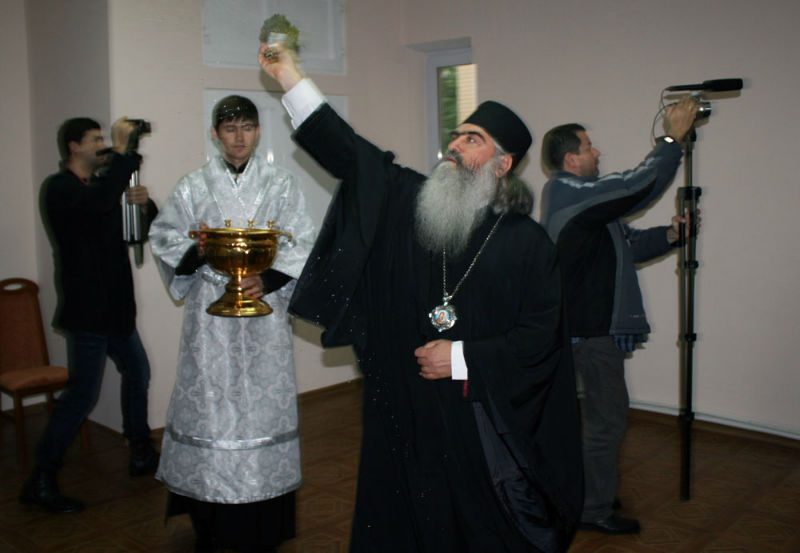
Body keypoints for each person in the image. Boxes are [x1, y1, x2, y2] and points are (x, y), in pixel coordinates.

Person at [259, 44, 583, 553]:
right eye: (455, 135)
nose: (454, 146)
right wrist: (290, 77)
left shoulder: (528, 245)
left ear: (502, 164)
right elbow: (354, 156)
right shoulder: (414, 206)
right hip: (403, 411)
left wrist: (462, 357)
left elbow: (541, 339)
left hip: (475, 424)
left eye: (472, 139)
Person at [148, 95, 315, 553]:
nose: (239, 137)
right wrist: (199, 250)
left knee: (263, 410)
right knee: (212, 409)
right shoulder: (192, 186)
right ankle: (212, 518)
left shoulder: (282, 184)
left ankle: (267, 520)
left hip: (265, 315)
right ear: (215, 134)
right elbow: (163, 237)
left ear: (258, 132)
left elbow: (303, 243)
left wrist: (269, 278)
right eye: (230, 128)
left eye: (247, 127)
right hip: (210, 319)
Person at [539, 98, 699, 535]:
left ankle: (590, 493)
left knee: (597, 420)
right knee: (606, 421)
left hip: (588, 331)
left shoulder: (585, 205)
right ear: (571, 159)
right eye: (589, 147)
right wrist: (671, 140)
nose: (597, 152)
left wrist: (672, 234)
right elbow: (636, 185)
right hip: (592, 333)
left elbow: (628, 245)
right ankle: (593, 508)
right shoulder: (568, 193)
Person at [20, 117, 159, 513]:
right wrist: (123, 154)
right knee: (82, 395)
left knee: (138, 372)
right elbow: (97, 206)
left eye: (104, 138)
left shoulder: (100, 188)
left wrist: (144, 204)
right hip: (88, 312)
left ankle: (140, 451)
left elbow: (136, 232)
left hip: (116, 310)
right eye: (95, 139)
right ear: (74, 146)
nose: (102, 145)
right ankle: (41, 478)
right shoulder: (60, 188)